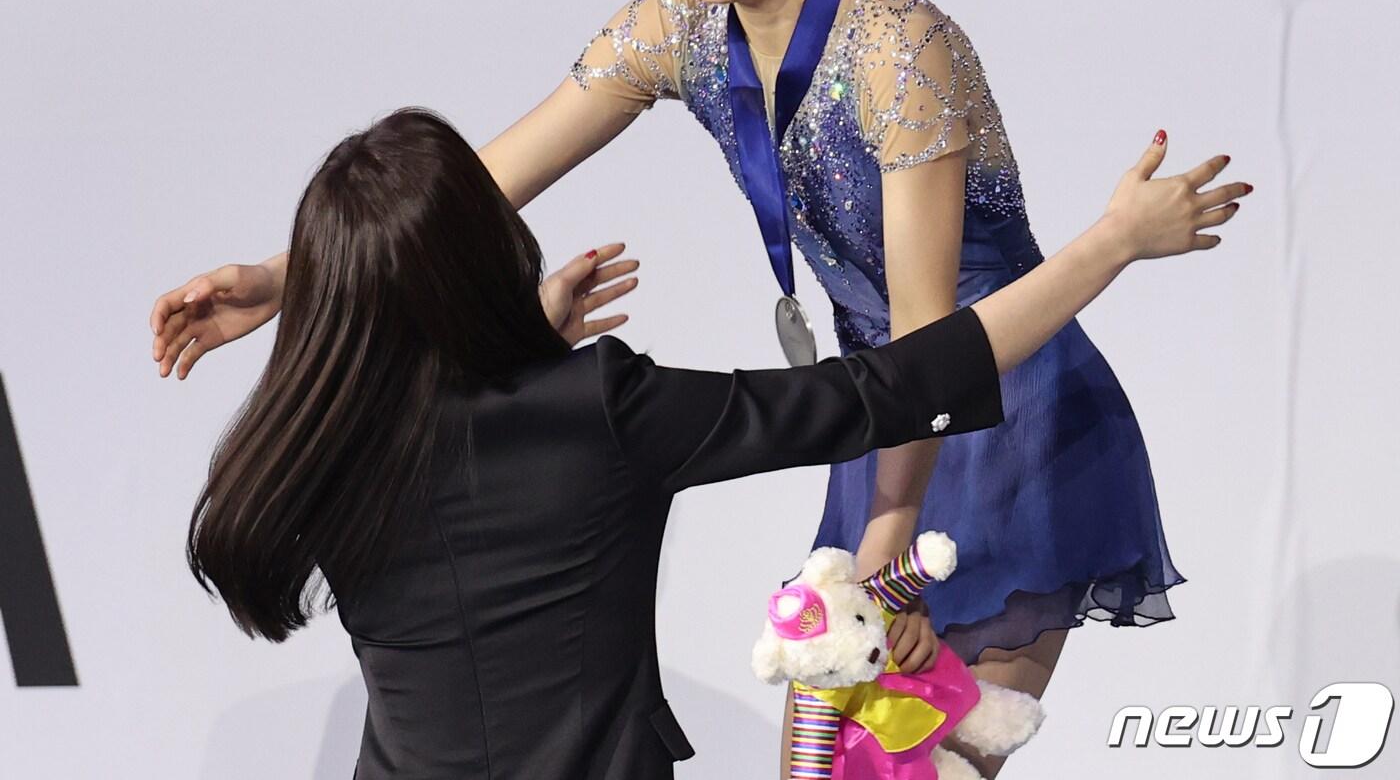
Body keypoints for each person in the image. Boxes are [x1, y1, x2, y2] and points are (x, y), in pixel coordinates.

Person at [150, 0, 1254, 777]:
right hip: (870, 418)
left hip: (997, 408)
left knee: (913, 766)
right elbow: (468, 192)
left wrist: (888, 551)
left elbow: (925, 344)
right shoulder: (673, 28)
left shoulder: (896, 47)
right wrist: (285, 276)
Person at [185, 108, 1241, 780]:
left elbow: (457, 475)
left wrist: (514, 359)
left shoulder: (316, 441)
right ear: (486, 256)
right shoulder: (600, 408)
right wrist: (1109, 244)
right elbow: (893, 387)